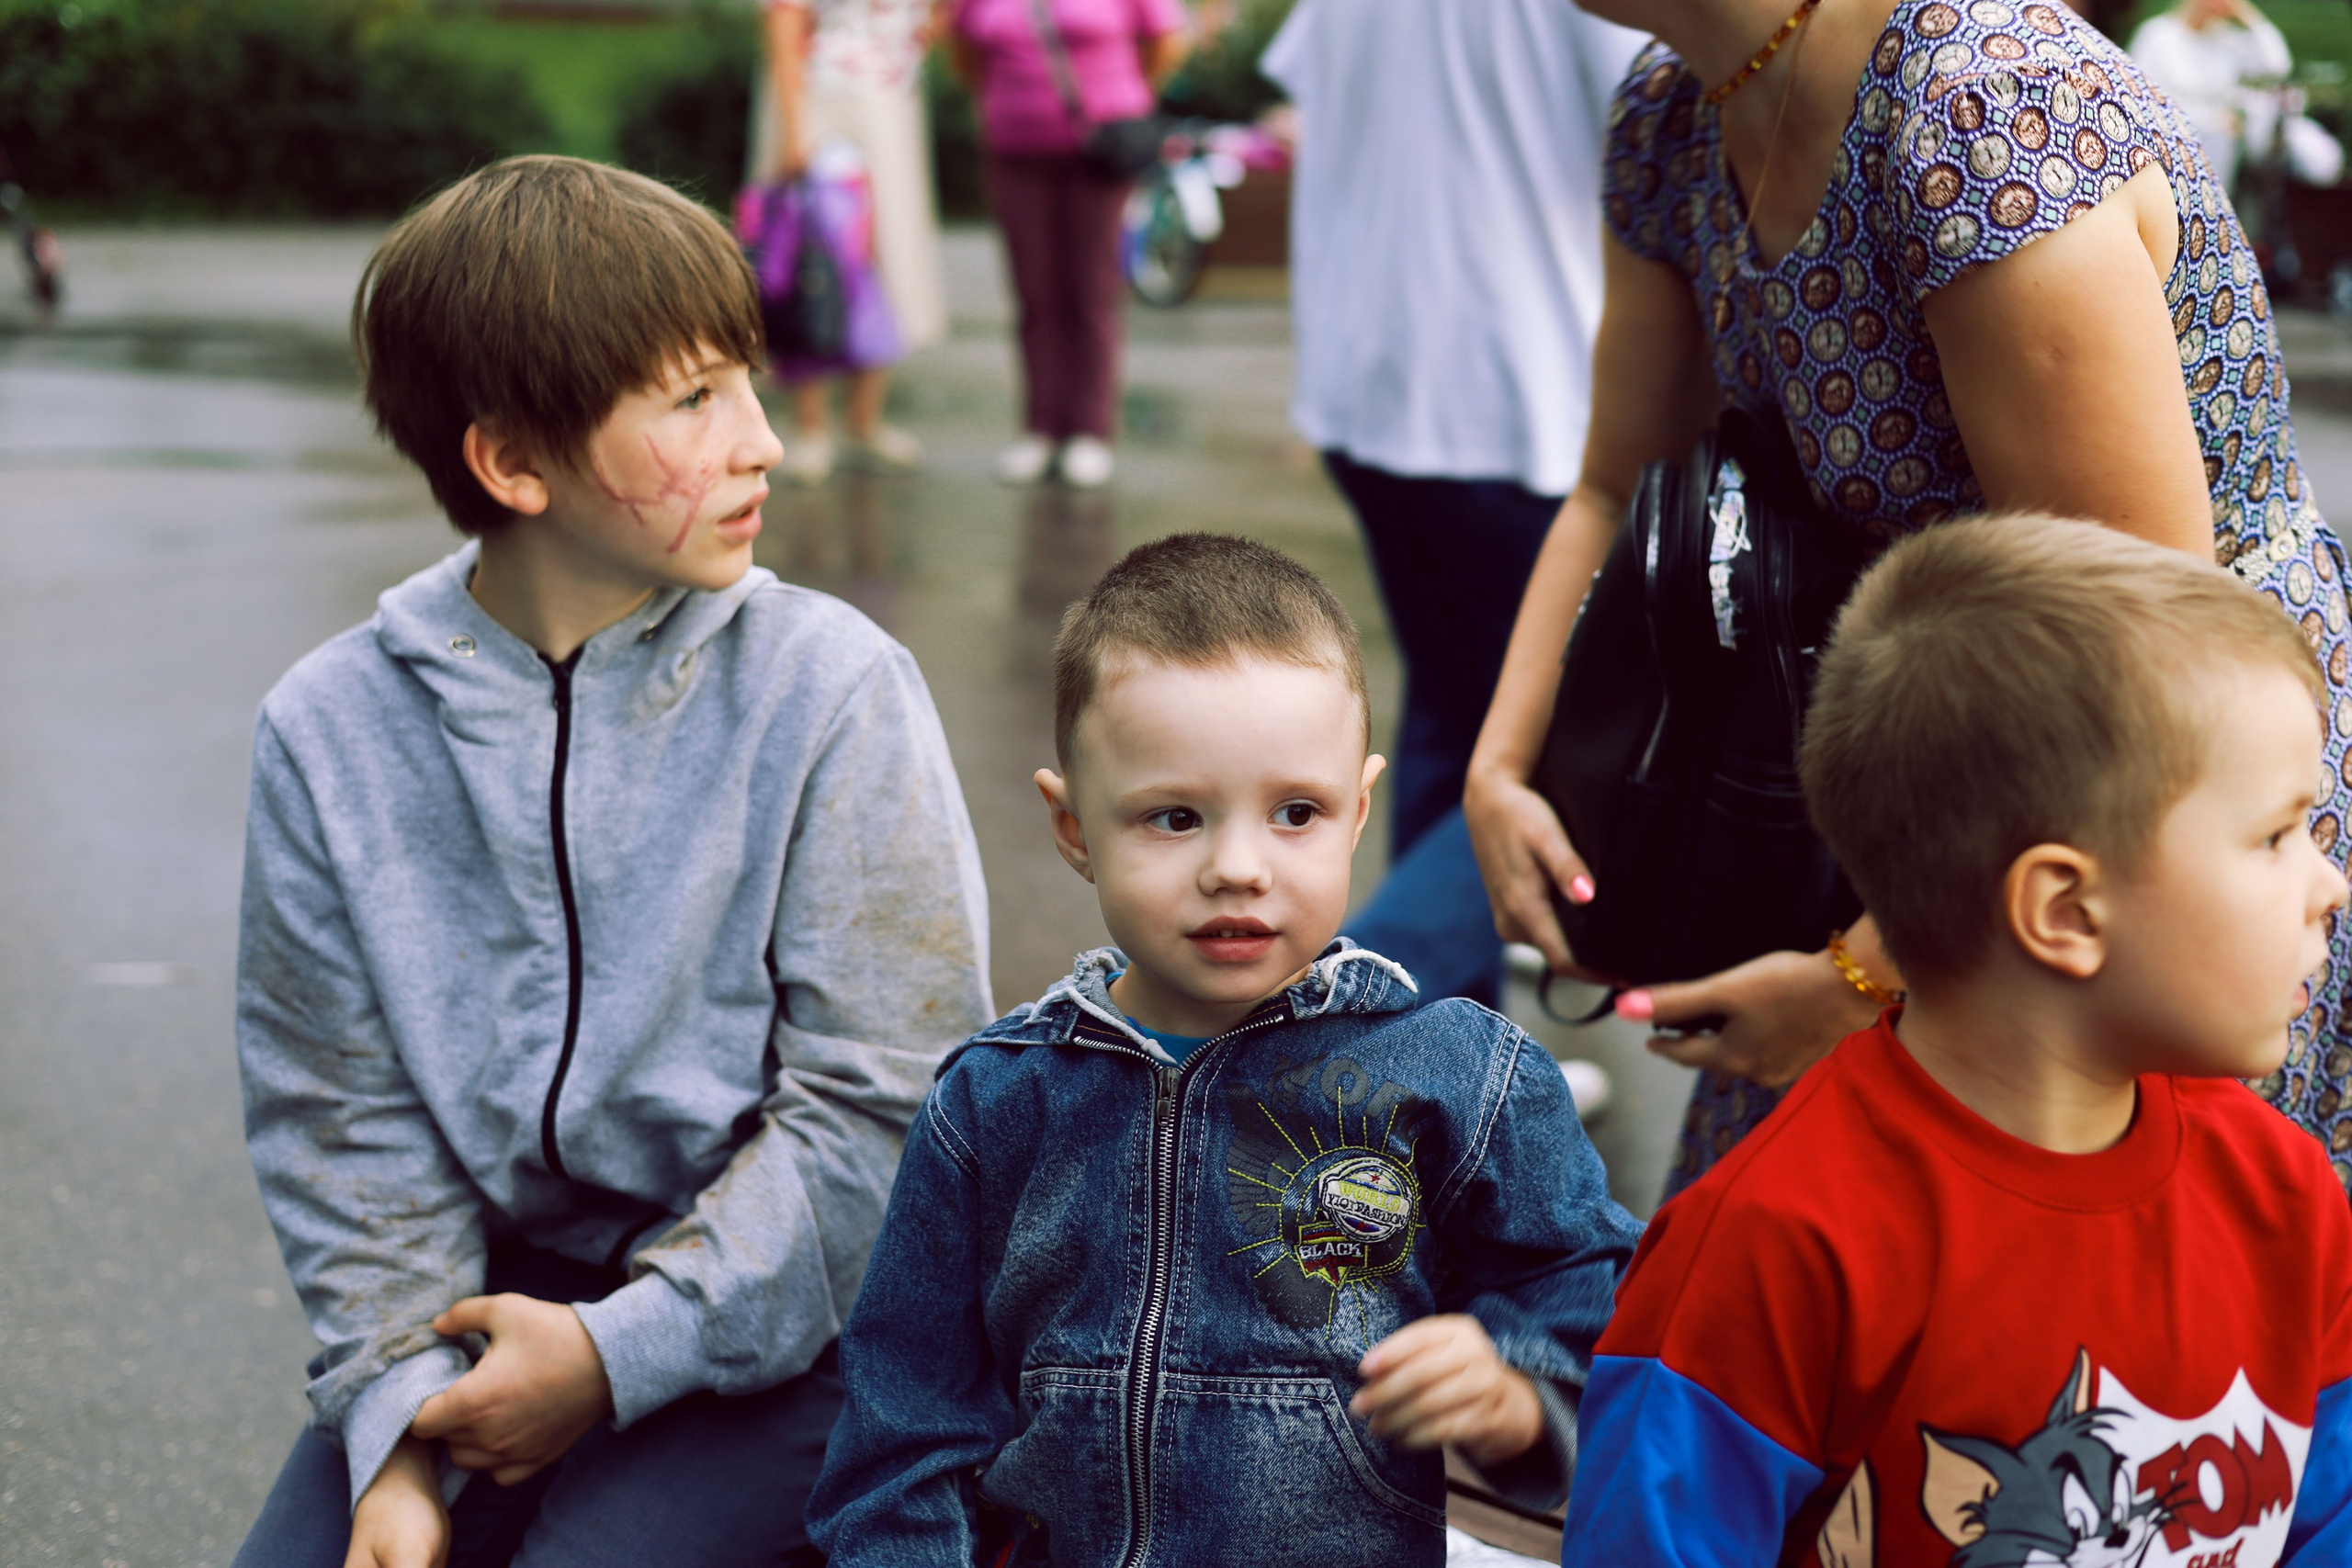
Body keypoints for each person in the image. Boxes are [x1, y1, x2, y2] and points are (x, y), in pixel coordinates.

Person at [229, 156, 994, 1568]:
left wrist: (613, 1352)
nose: (765, 441)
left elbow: (885, 1102)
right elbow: (340, 1113)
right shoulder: (329, 730)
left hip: (805, 1322)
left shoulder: (832, 689)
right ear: (514, 463)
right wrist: (399, 1429)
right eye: (695, 399)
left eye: (748, 381)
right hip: (481, 1308)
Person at [1464, 0, 2352, 1198]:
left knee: (2091, 1276)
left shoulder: (1979, 102)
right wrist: (1503, 766)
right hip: (1926, 780)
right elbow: (1618, 484)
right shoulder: (1670, 111)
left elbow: (2140, 637)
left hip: (2167, 793)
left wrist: (1861, 977)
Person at [805, 533, 1642, 1566]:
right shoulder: (997, 1100)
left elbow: (1600, 1301)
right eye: (1174, 817)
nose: (1238, 867)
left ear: (1359, 810)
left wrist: (1516, 1390)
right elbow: (903, 1430)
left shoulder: (1462, 1078)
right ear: (1073, 828)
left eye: (1297, 813)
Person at [1562, 515, 2352, 1564]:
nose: (2330, 884)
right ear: (2065, 911)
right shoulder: (1774, 1248)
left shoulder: (2286, 1195)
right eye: (2276, 835)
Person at [1259, 0, 1645, 1008]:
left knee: (1458, 719)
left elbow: (1307, 98)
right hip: (1519, 398)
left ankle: (1441, 1054)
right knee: (1564, 761)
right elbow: (1679, 104)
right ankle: (1310, 1035)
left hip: (1369, 380)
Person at [946, 0, 1189, 491]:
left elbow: (1165, 44)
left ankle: (1089, 430)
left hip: (1098, 150)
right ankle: (1041, 428)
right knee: (1034, 292)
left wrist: (1120, 94)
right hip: (1014, 148)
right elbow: (963, 51)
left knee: (1092, 290)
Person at [755, 0, 948, 485]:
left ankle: (864, 421)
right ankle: (810, 427)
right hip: (819, 106)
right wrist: (794, 132)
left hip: (890, 107)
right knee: (814, 262)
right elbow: (783, 22)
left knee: (886, 262)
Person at [2130, 0, 2293, 193]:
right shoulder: (2156, 35)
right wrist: (2209, 120)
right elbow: (2139, 97)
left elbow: (2278, 67)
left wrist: (2250, 18)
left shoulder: (2228, 40)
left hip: (2219, 146)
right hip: (2168, 138)